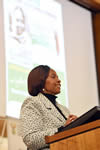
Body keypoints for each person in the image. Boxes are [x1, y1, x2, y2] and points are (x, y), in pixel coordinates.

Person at [18, 65, 77, 150]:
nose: (59, 80)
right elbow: (31, 139)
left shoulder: (64, 109)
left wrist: (77, 125)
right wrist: (62, 129)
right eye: (53, 77)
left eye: (58, 77)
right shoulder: (33, 103)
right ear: (40, 81)